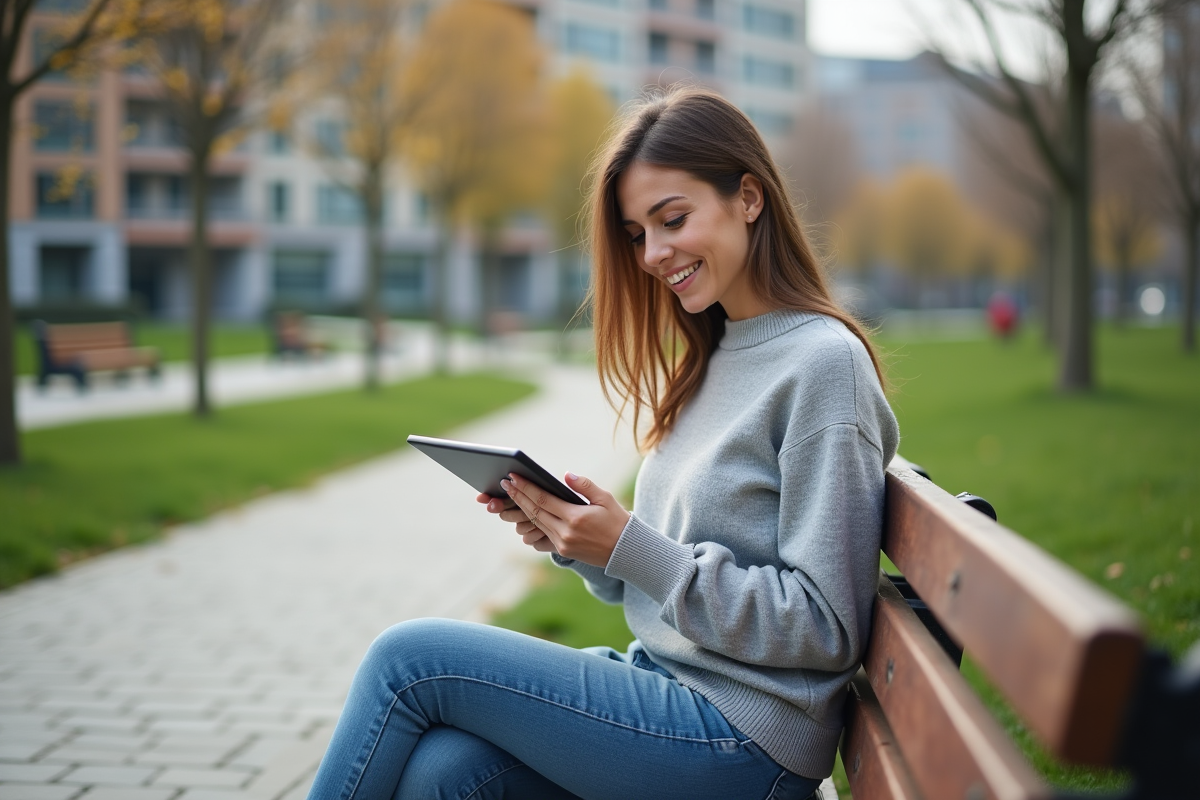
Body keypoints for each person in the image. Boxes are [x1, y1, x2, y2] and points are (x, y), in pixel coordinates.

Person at [306, 87, 898, 800]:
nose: (653, 253)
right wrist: (582, 541)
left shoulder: (822, 365)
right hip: (673, 688)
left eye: (672, 220)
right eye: (637, 233)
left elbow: (826, 627)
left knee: (406, 661)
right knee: (444, 771)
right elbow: (670, 569)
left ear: (748, 198)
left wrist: (632, 548)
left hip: (746, 739)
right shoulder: (717, 353)